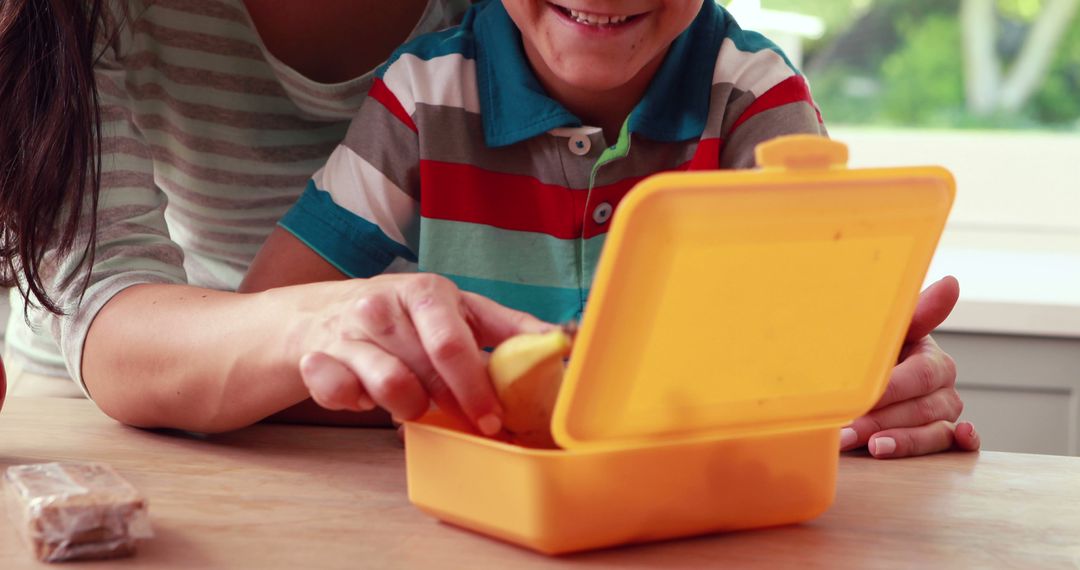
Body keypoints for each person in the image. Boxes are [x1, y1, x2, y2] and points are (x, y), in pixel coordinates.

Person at [0, 0, 977, 459]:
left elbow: (812, 341)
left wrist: (857, 384)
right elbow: (218, 314)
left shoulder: (746, 87)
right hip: (174, 432)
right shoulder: (429, 91)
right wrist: (369, 355)